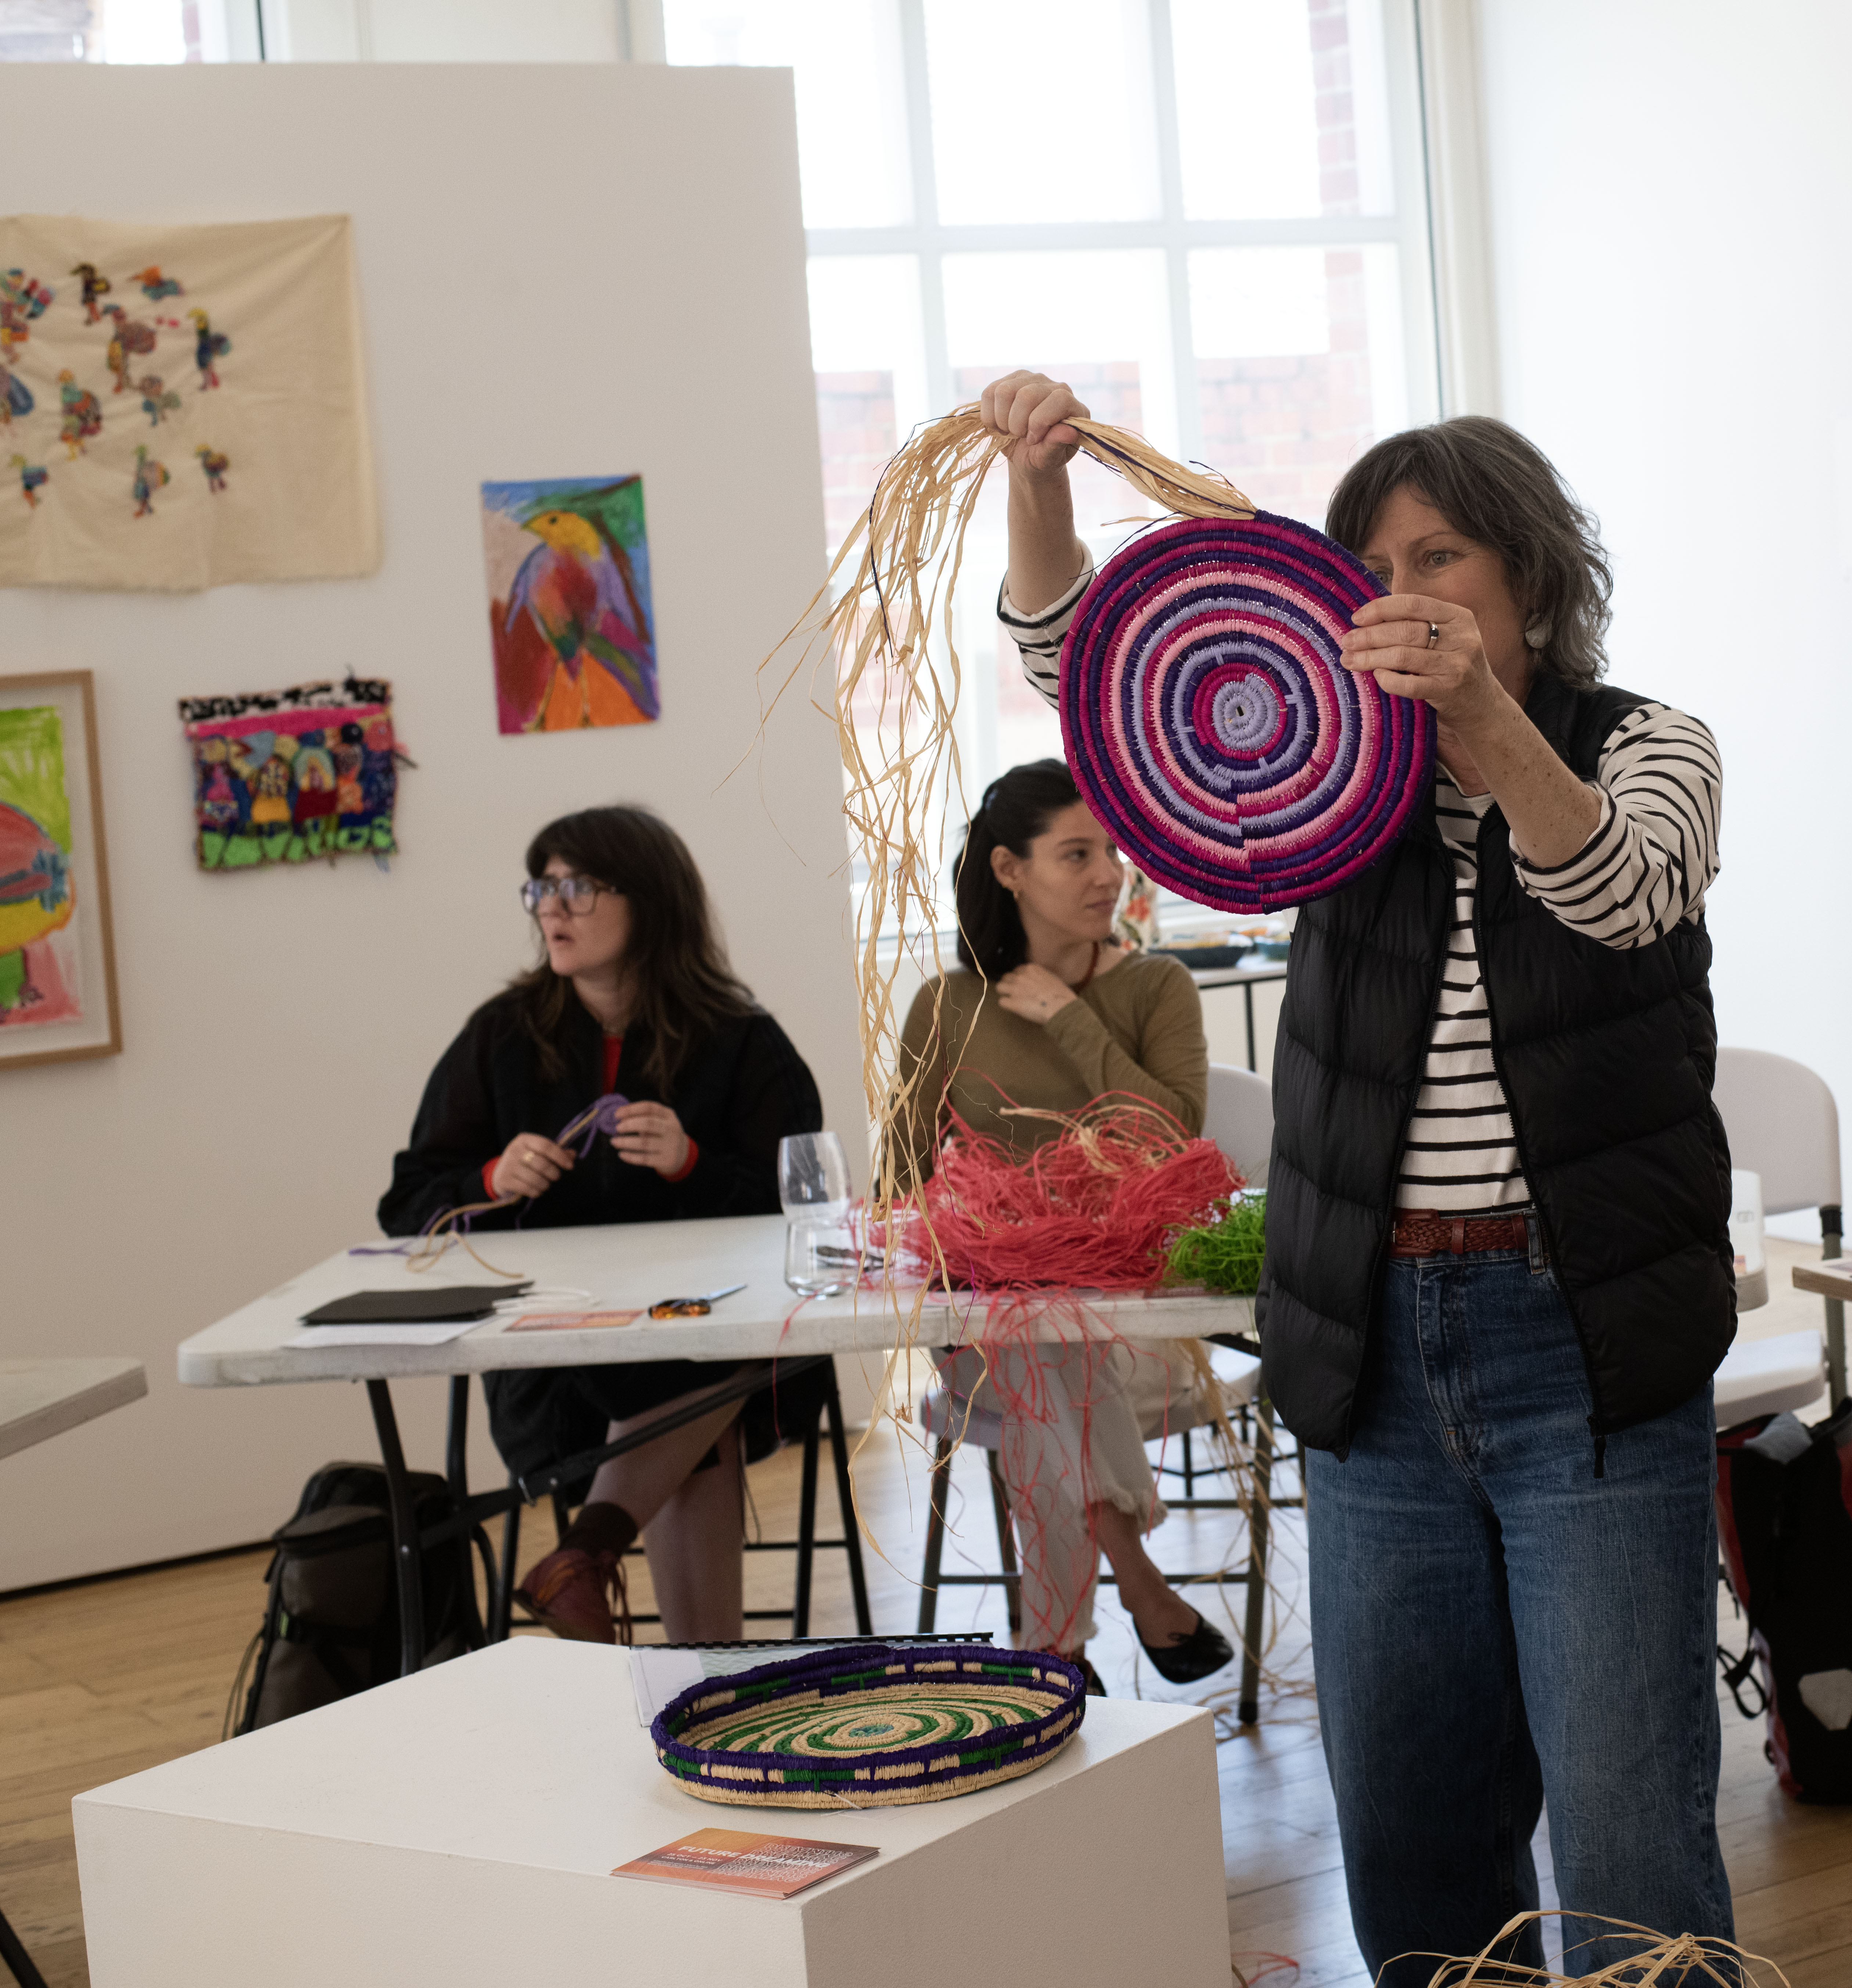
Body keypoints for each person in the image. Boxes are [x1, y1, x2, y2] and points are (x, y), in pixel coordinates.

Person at [982, 370, 1734, 1979]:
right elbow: (1084, 668)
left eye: (1441, 558)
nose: (1401, 598)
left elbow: (1618, 894)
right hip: (1369, 1345)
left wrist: (1481, 719)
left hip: (1585, 1337)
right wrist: (1038, 484)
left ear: (1532, 578)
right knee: (1407, 1831)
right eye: (1373, 567)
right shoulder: (1326, 769)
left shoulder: (1652, 745)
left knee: (1627, 1844)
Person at [380, 804, 827, 1645]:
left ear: (651, 900)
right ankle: (704, 1675)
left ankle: (585, 1557)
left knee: (702, 1350)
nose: (552, 907)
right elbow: (408, 1202)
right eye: (542, 887)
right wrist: (489, 1177)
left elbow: (807, 1202)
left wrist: (692, 1162)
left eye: (577, 887)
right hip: (558, 1361)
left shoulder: (740, 1040)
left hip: (717, 1340)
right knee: (698, 1381)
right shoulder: (501, 1037)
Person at [883, 757, 1228, 1687]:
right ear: (1008, 870)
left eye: (1113, 849)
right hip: (983, 1331)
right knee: (1036, 1334)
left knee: (1049, 1349)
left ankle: (1052, 1654)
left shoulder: (1156, 989)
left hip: (1136, 1327)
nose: (1108, 873)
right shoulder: (946, 1005)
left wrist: (1073, 1018)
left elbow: (1171, 1141)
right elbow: (896, 1177)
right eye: (1077, 853)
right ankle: (1137, 1582)